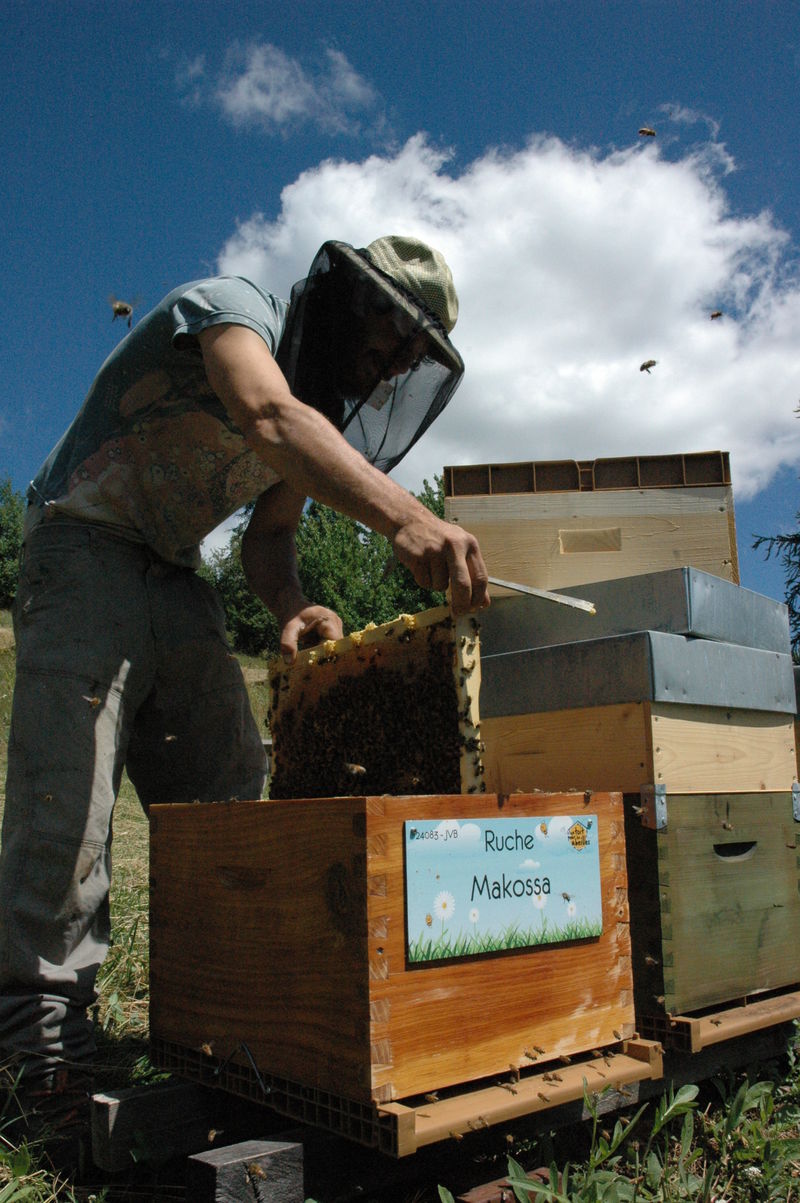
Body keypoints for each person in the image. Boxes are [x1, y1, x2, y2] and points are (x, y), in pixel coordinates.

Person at [0, 235, 489, 1170]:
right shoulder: (229, 310)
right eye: (383, 338)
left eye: (402, 363)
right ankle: (36, 1053)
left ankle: (217, 1023)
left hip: (173, 574)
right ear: (346, 301)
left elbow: (269, 538)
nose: (383, 366)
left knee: (233, 781)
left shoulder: (313, 425)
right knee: (71, 799)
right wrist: (409, 518)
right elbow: (266, 415)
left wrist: (293, 602)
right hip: (80, 542)